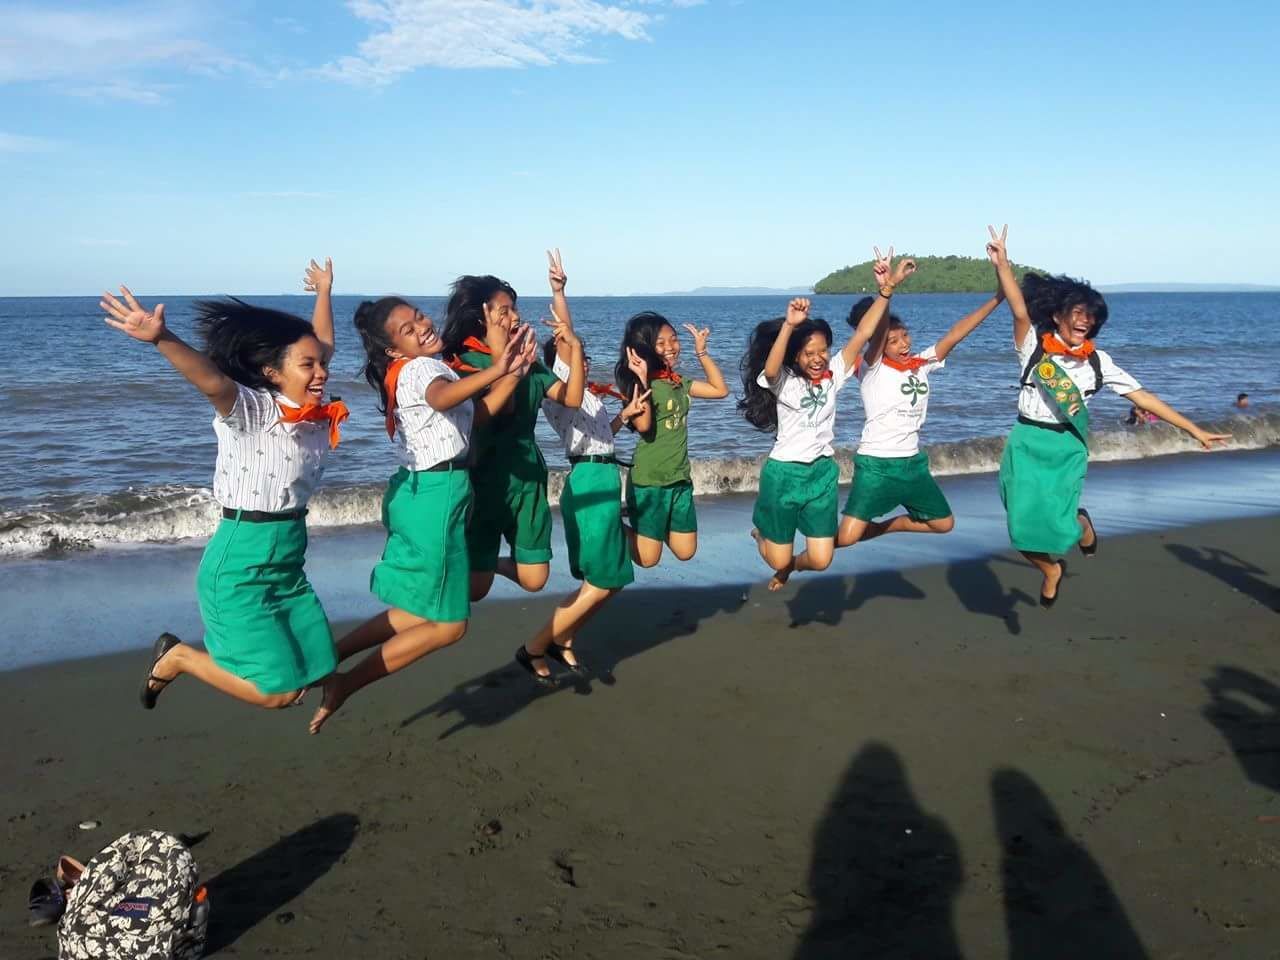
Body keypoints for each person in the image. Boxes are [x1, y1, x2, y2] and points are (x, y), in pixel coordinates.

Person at [106, 258, 349, 710]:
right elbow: (214, 382)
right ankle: (179, 657)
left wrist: (323, 291)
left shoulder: (316, 407)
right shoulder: (254, 410)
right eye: (308, 366)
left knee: (320, 666)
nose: (322, 372)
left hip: (289, 551)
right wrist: (162, 337)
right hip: (240, 560)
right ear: (274, 374)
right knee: (277, 694)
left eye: (321, 364)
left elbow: (324, 342)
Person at [308, 297, 539, 733]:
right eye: (407, 330)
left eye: (419, 317)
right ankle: (344, 683)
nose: (422, 327)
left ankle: (331, 657)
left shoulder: (418, 368)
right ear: (394, 350)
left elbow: (477, 416)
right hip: (435, 497)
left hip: (427, 494)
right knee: (449, 626)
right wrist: (496, 369)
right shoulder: (420, 370)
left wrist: (512, 373)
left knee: (419, 609)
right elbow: (442, 397)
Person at [987, 224, 1231, 607]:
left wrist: (1194, 430)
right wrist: (1003, 264)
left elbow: (1144, 398)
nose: (1085, 320)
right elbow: (1019, 308)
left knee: (1061, 527)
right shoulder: (1033, 346)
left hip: (1066, 447)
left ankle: (1082, 525)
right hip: (1025, 442)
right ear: (1057, 316)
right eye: (1078, 313)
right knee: (1019, 527)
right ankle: (1050, 569)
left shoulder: (1099, 362)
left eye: (1092, 316)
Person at [516, 263, 651, 685]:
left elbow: (594, 437)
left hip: (604, 476)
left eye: (586, 356)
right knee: (602, 579)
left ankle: (564, 639)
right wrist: (558, 293)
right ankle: (535, 647)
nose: (585, 361)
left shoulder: (589, 397)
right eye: (579, 356)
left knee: (612, 581)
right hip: (589, 483)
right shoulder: (555, 385)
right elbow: (564, 338)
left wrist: (622, 419)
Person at [833, 248, 1005, 554]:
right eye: (893, 341)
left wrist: (998, 298)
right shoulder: (871, 367)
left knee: (943, 523)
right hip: (877, 465)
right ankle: (794, 557)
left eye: (905, 337)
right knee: (845, 539)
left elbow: (954, 335)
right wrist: (888, 287)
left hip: (912, 464)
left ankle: (893, 524)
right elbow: (874, 332)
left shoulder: (920, 363)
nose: (903, 345)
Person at [441, 254, 586, 602]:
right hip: (486, 483)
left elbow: (571, 397)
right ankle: (457, 564)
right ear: (482, 316)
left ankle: (489, 562)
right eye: (504, 310)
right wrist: (497, 353)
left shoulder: (528, 362)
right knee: (476, 592)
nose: (515, 316)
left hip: (529, 480)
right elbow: (498, 410)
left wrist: (575, 346)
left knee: (535, 579)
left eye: (514, 308)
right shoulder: (461, 365)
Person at [738, 295, 866, 591]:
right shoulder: (784, 381)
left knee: (821, 560)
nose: (818, 357)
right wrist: (789, 325)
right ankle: (762, 535)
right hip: (784, 475)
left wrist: (887, 291)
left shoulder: (834, 375)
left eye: (823, 350)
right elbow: (770, 370)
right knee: (777, 561)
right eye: (809, 352)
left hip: (821, 472)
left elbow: (862, 334)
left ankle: (789, 567)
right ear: (796, 356)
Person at [614, 311, 730, 568]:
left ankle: (641, 520)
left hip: (680, 478)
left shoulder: (679, 382)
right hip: (650, 480)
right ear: (643, 348)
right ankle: (609, 521)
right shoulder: (636, 385)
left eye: (674, 340)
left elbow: (720, 390)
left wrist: (702, 353)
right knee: (647, 559)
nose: (671, 347)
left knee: (685, 551)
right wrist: (642, 378)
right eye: (661, 343)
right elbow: (643, 426)